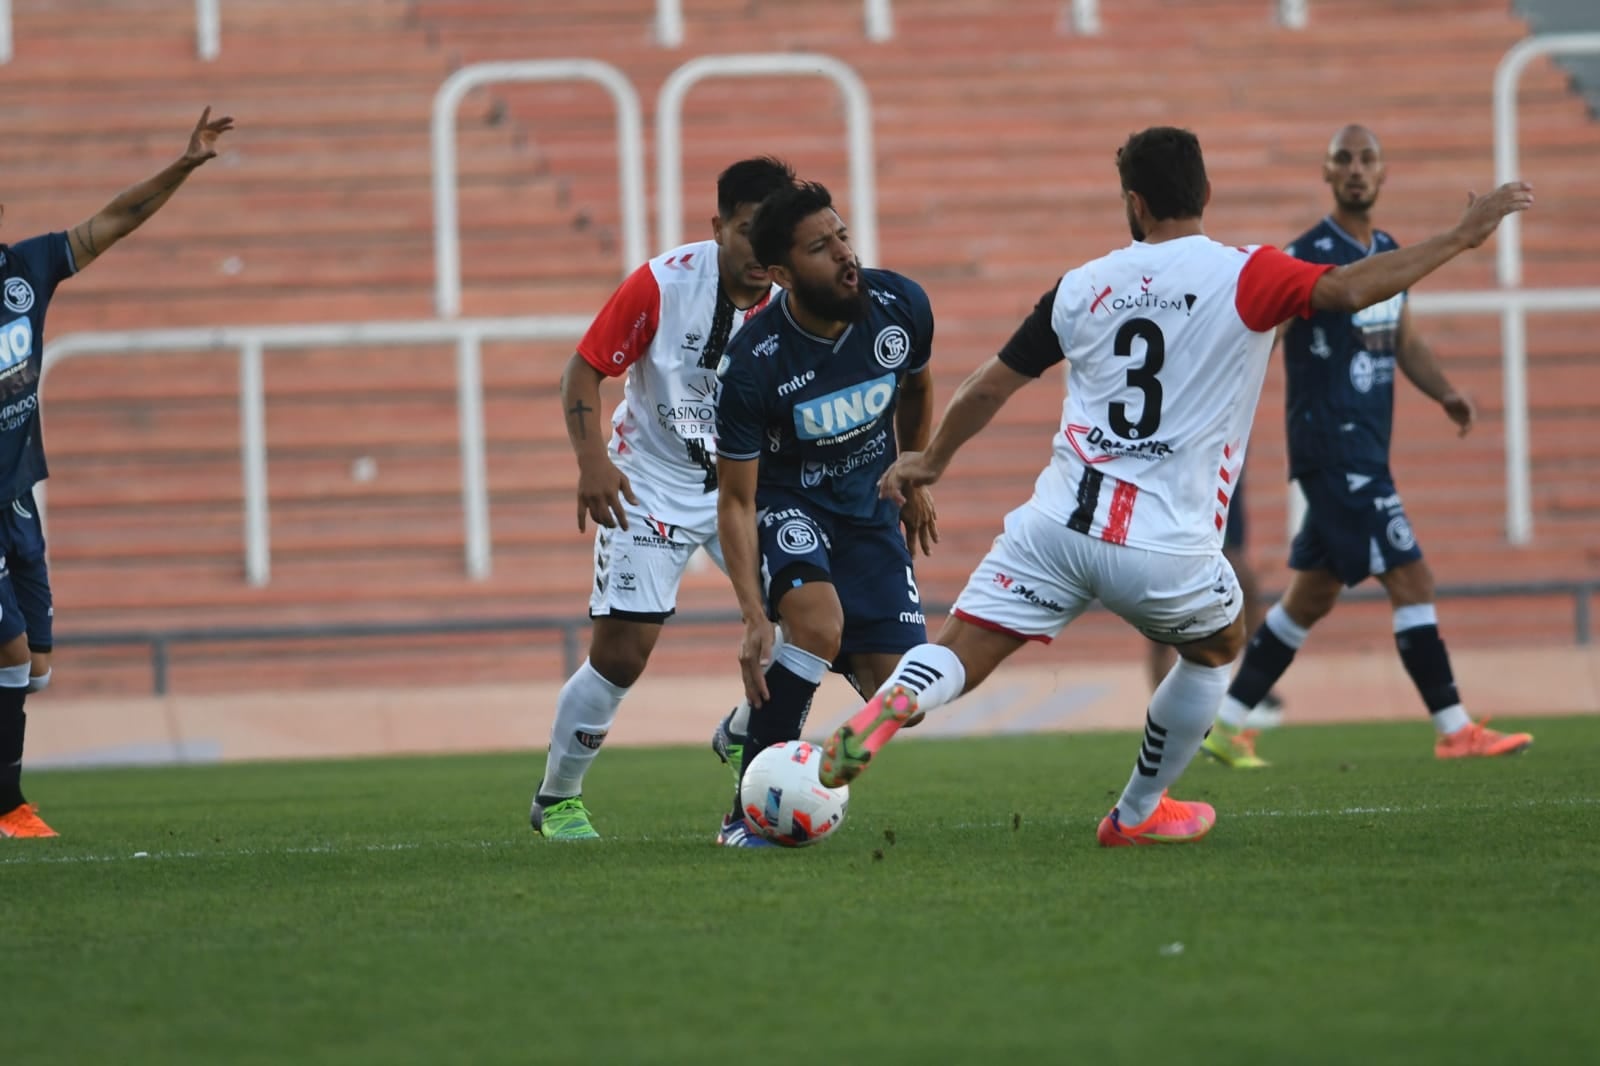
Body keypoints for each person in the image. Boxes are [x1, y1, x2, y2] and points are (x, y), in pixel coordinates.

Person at [815, 126, 1533, 848]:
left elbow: (989, 384)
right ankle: (1137, 813)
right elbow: (1349, 289)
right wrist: (1461, 237)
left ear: (1135, 203)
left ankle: (895, 700)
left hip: (1055, 526)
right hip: (1164, 545)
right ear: (1206, 194)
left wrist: (929, 460)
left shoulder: (1082, 284)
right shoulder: (1249, 273)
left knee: (965, 647)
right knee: (1221, 644)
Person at [1203, 125, 1533, 768]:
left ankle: (1225, 724)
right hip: (1333, 448)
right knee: (1413, 577)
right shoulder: (1308, 255)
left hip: (1364, 451)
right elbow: (1262, 338)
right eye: (1344, 159)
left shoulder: (1387, 251)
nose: (1356, 169)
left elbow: (1402, 336)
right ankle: (1455, 727)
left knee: (1312, 596)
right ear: (1327, 174)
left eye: (1367, 158)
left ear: (1384, 173)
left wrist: (1443, 393)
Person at [529, 157, 798, 841]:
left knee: (810, 615)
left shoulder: (800, 297)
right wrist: (592, 463)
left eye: (774, 237)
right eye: (746, 231)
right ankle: (557, 799)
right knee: (621, 657)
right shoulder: (662, 282)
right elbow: (582, 371)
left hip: (744, 485)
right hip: (649, 482)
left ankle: (742, 732)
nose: (761, 252)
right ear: (719, 227)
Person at [0, 107, 236, 840]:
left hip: (15, 497)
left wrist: (184, 163)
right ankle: (8, 807)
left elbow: (116, 219)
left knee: (35, 666)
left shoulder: (26, 270)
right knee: (7, 651)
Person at [713, 180, 938, 846]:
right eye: (821, 247)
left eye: (842, 234)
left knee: (904, 697)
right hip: (791, 501)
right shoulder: (754, 364)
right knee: (817, 626)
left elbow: (918, 385)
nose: (845, 254)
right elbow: (736, 498)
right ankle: (750, 808)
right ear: (781, 274)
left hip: (869, 506)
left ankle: (747, 723)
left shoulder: (899, 305)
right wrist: (755, 614)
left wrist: (916, 470)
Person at [1144, 468, 1283, 726]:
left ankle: (1249, 687)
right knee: (1169, 589)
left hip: (1221, 471)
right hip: (1184, 477)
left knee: (1242, 582)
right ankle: (1168, 712)